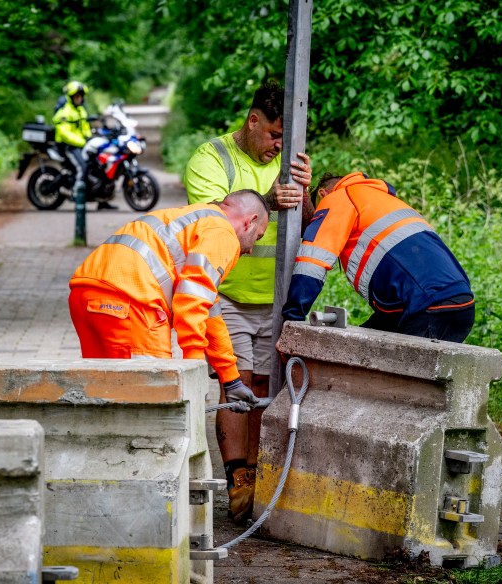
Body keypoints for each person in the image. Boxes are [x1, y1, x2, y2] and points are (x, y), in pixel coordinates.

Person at [183, 79, 312, 525]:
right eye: (274, 134)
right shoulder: (211, 158)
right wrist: (272, 202)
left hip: (277, 300)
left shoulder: (290, 161)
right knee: (234, 385)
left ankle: (259, 476)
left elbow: (308, 222)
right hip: (230, 295)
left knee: (265, 388)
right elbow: (214, 219)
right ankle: (238, 479)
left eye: (286, 137)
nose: (279, 145)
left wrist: (305, 194)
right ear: (252, 120)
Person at [69, 190, 271, 409]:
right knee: (150, 400)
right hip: (132, 302)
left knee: (104, 393)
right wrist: (193, 372)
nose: (250, 249)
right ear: (250, 221)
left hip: (85, 294)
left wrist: (231, 380)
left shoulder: (194, 219)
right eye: (257, 237)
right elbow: (191, 304)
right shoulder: (223, 234)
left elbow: (208, 312)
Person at [282, 172, 475, 342]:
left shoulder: (338, 198)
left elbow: (313, 262)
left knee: (399, 382)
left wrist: (292, 320)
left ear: (323, 194)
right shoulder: (381, 199)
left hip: (428, 305)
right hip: (459, 302)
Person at [53, 80, 116, 210]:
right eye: (77, 96)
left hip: (81, 144)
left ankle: (102, 199)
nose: (79, 99)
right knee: (83, 167)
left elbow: (85, 127)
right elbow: (65, 134)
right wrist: (83, 142)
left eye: (81, 96)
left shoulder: (81, 110)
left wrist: (90, 137)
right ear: (71, 97)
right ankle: (77, 196)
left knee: (99, 165)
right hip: (68, 146)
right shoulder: (65, 113)